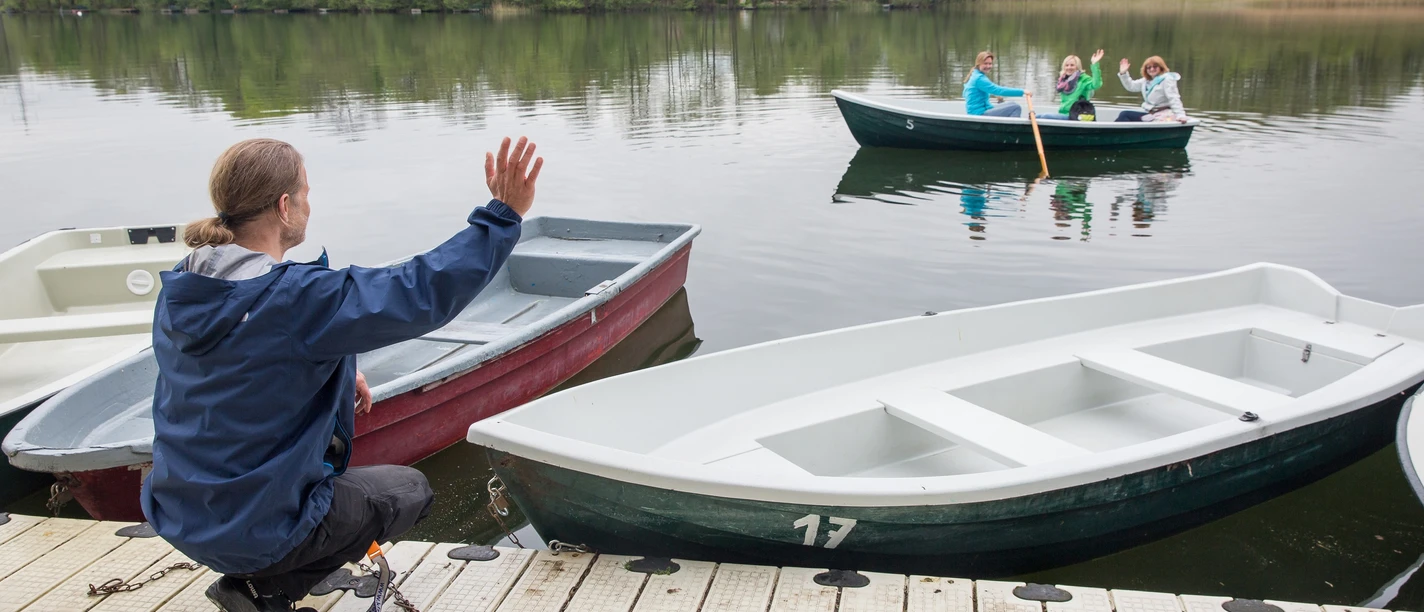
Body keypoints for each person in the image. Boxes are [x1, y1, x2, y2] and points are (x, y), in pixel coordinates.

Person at [141, 136, 543, 612]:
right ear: (285, 206)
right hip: (256, 528)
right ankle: (266, 588)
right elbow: (420, 289)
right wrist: (502, 215)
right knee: (408, 491)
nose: (310, 205)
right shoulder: (297, 299)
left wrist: (341, 363)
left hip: (177, 514)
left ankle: (258, 574)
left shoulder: (186, 286)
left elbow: (254, 355)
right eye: (306, 194)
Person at [1115, 55, 1189, 123]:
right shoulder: (1146, 81)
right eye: (1149, 67)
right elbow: (1131, 86)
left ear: (1161, 67)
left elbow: (1174, 98)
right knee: (1124, 115)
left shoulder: (1167, 79)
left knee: (1125, 114)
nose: (1152, 69)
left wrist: (1180, 115)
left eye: (1155, 66)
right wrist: (1123, 73)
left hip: (1163, 115)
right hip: (1150, 114)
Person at [1037, 49, 1104, 121]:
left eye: (1072, 65)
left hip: (1077, 116)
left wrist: (1095, 65)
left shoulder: (1083, 79)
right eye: (1067, 65)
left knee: (1044, 116)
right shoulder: (1063, 81)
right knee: (1037, 116)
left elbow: (1096, 84)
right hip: (1063, 114)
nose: (1069, 67)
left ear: (1077, 67)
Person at [963, 51, 1032, 118]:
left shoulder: (975, 74)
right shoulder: (979, 78)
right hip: (979, 114)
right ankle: (1012, 128)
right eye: (985, 63)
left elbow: (967, 94)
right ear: (978, 64)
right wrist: (1022, 91)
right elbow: (998, 90)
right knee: (1015, 107)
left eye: (990, 63)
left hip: (983, 110)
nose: (988, 66)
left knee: (1012, 104)